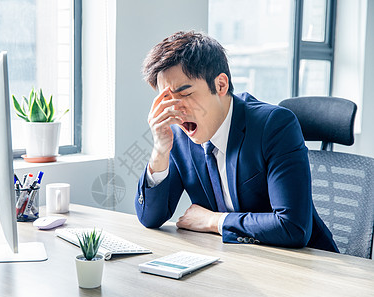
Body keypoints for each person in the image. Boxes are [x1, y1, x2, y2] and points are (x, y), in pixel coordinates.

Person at [134, 31, 338, 252]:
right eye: (167, 98)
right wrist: (160, 150)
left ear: (221, 85)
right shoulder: (180, 136)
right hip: (238, 260)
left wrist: (215, 221)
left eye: (184, 94)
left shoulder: (274, 126)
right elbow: (150, 218)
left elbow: (292, 227)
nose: (176, 109)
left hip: (309, 264)